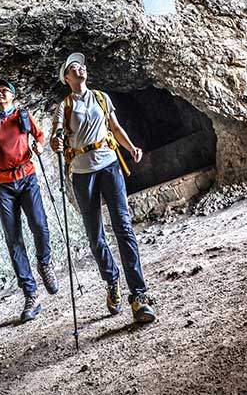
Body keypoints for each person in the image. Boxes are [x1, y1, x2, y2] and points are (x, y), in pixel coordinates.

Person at [51, 53, 156, 324]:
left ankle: (139, 295)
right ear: (67, 78)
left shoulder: (101, 97)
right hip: (83, 173)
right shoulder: (64, 106)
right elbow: (57, 135)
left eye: (83, 66)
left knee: (123, 226)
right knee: (95, 235)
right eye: (74, 68)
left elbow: (115, 127)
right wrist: (56, 141)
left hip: (109, 164)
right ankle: (112, 280)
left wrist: (130, 147)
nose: (81, 69)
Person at [0, 78, 58, 322]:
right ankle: (30, 293)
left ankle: (45, 264)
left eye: (5, 91)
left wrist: (40, 146)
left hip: (27, 176)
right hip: (3, 184)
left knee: (40, 225)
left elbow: (40, 136)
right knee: (13, 239)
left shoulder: (23, 116)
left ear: (13, 96)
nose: (0, 94)